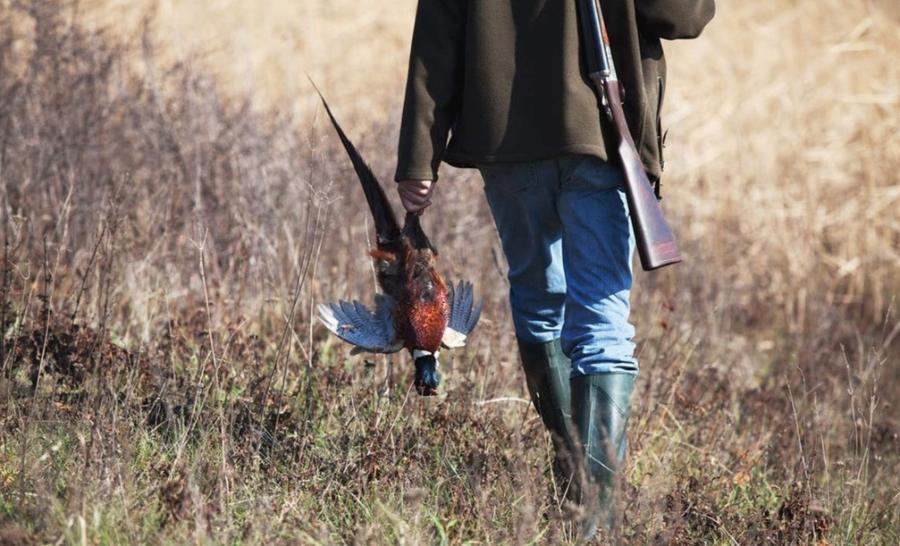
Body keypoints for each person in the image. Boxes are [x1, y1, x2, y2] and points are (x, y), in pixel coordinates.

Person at [394, 0, 715, 539]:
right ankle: (593, 519)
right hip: (598, 131)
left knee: (540, 304)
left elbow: (438, 33)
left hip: (506, 139)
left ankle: (572, 478)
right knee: (602, 327)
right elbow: (683, 16)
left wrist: (418, 156)